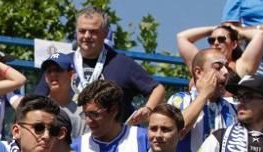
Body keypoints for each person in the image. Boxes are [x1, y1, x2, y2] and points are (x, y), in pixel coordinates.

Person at [32, 7, 165, 125]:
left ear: (105, 33)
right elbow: (38, 100)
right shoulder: (60, 63)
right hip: (69, 141)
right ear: (76, 32)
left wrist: (148, 109)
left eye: (93, 31)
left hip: (113, 144)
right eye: (82, 31)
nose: (87, 36)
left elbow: (157, 88)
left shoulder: (122, 63)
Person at [167, 47, 235, 152]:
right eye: (218, 67)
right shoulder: (179, 100)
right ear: (198, 72)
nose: (226, 72)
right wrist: (204, 95)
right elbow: (174, 132)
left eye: (226, 67)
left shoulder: (232, 109)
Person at [175, 22, 262, 77]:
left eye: (221, 39)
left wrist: (235, 30)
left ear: (234, 44)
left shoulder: (240, 66)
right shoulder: (200, 63)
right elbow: (182, 37)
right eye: (212, 40)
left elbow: (260, 34)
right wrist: (215, 28)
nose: (216, 43)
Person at [39, 53, 85, 139]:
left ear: (71, 75)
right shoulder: (37, 108)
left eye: (58, 70)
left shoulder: (81, 113)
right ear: (45, 77)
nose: (53, 74)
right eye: (49, 71)